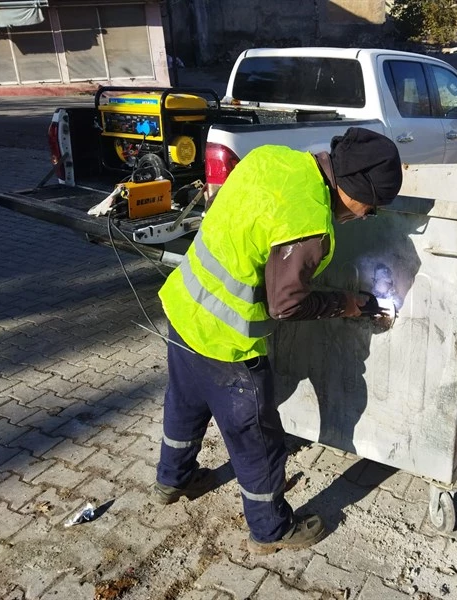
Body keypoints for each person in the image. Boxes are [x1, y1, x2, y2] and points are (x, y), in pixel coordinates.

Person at [153, 127, 403, 554]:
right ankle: (270, 529)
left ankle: (172, 481)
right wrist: (346, 304)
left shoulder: (273, 158)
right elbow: (285, 305)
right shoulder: (310, 226)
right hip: (227, 342)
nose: (366, 215)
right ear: (355, 190)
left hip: (185, 306)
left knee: (184, 402)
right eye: (371, 207)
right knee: (257, 438)